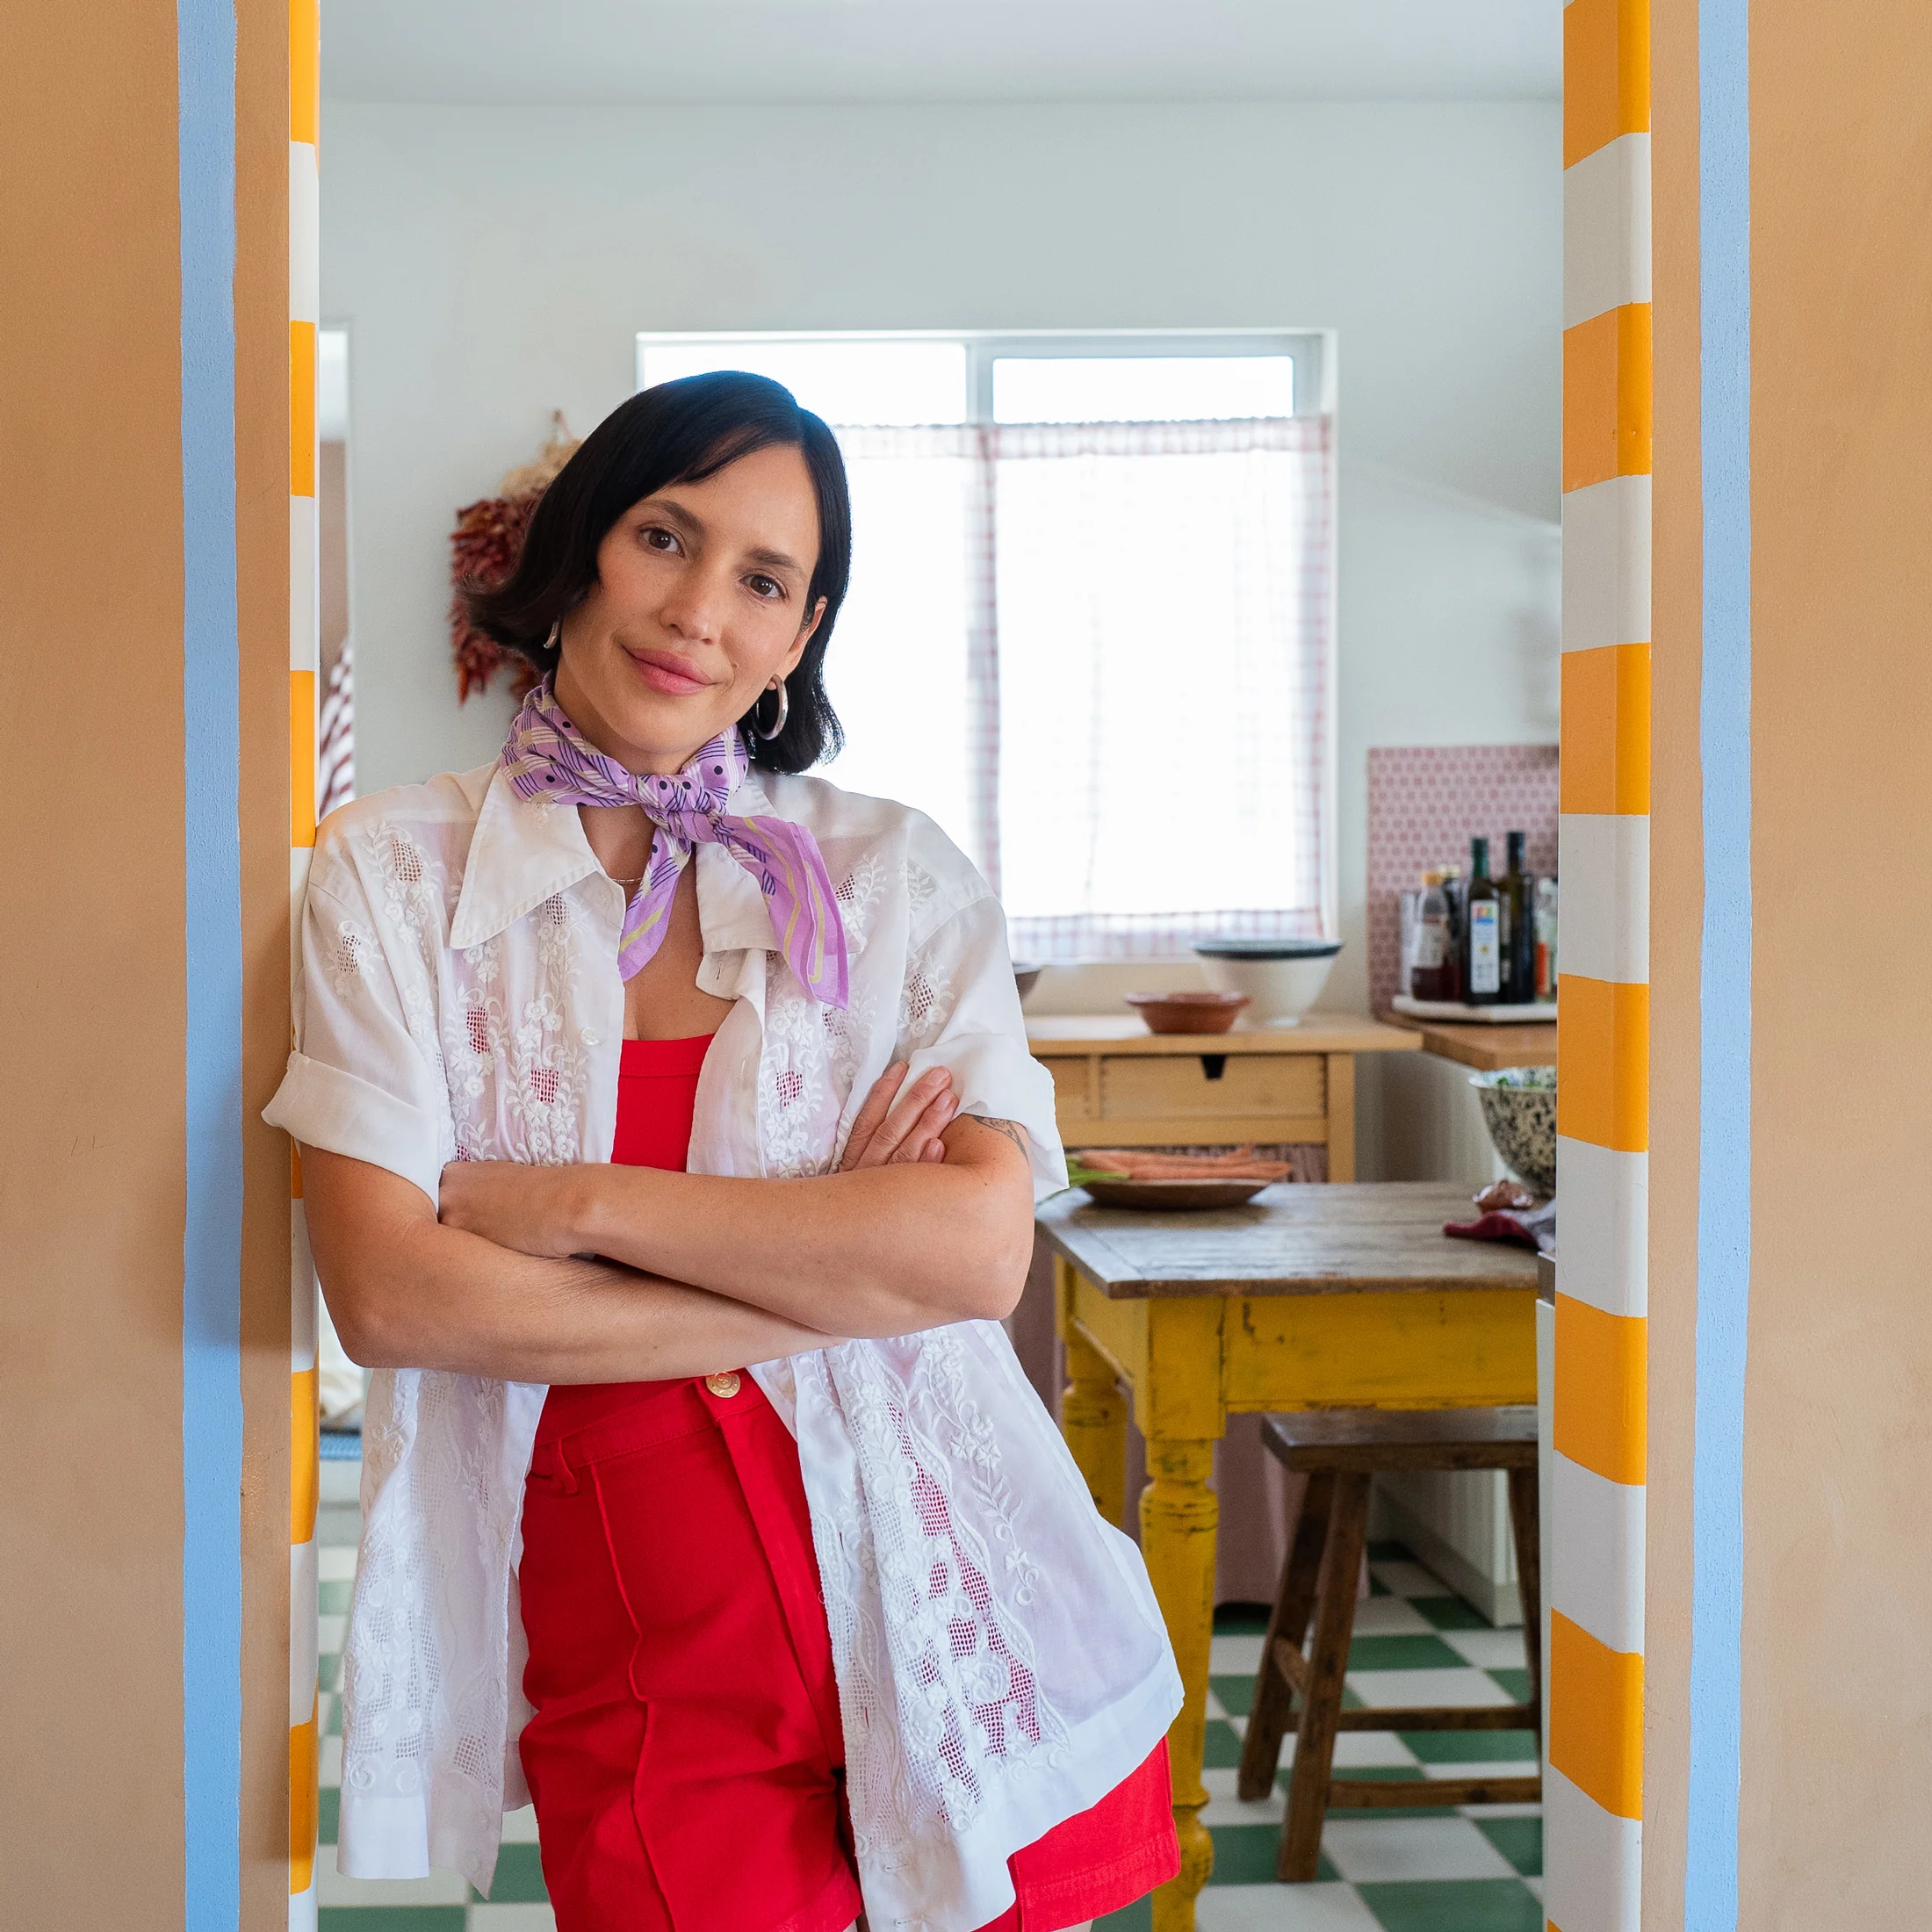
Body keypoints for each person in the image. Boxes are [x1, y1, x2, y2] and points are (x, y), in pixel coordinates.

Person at [266, 372, 1182, 1932]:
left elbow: (975, 1259)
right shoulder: (393, 877)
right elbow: (397, 1298)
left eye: (764, 580)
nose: (699, 611)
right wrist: (836, 1267)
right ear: (580, 547)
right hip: (645, 1683)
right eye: (664, 537)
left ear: (800, 635)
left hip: (975, 1646)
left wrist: (572, 1206)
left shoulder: (895, 876)